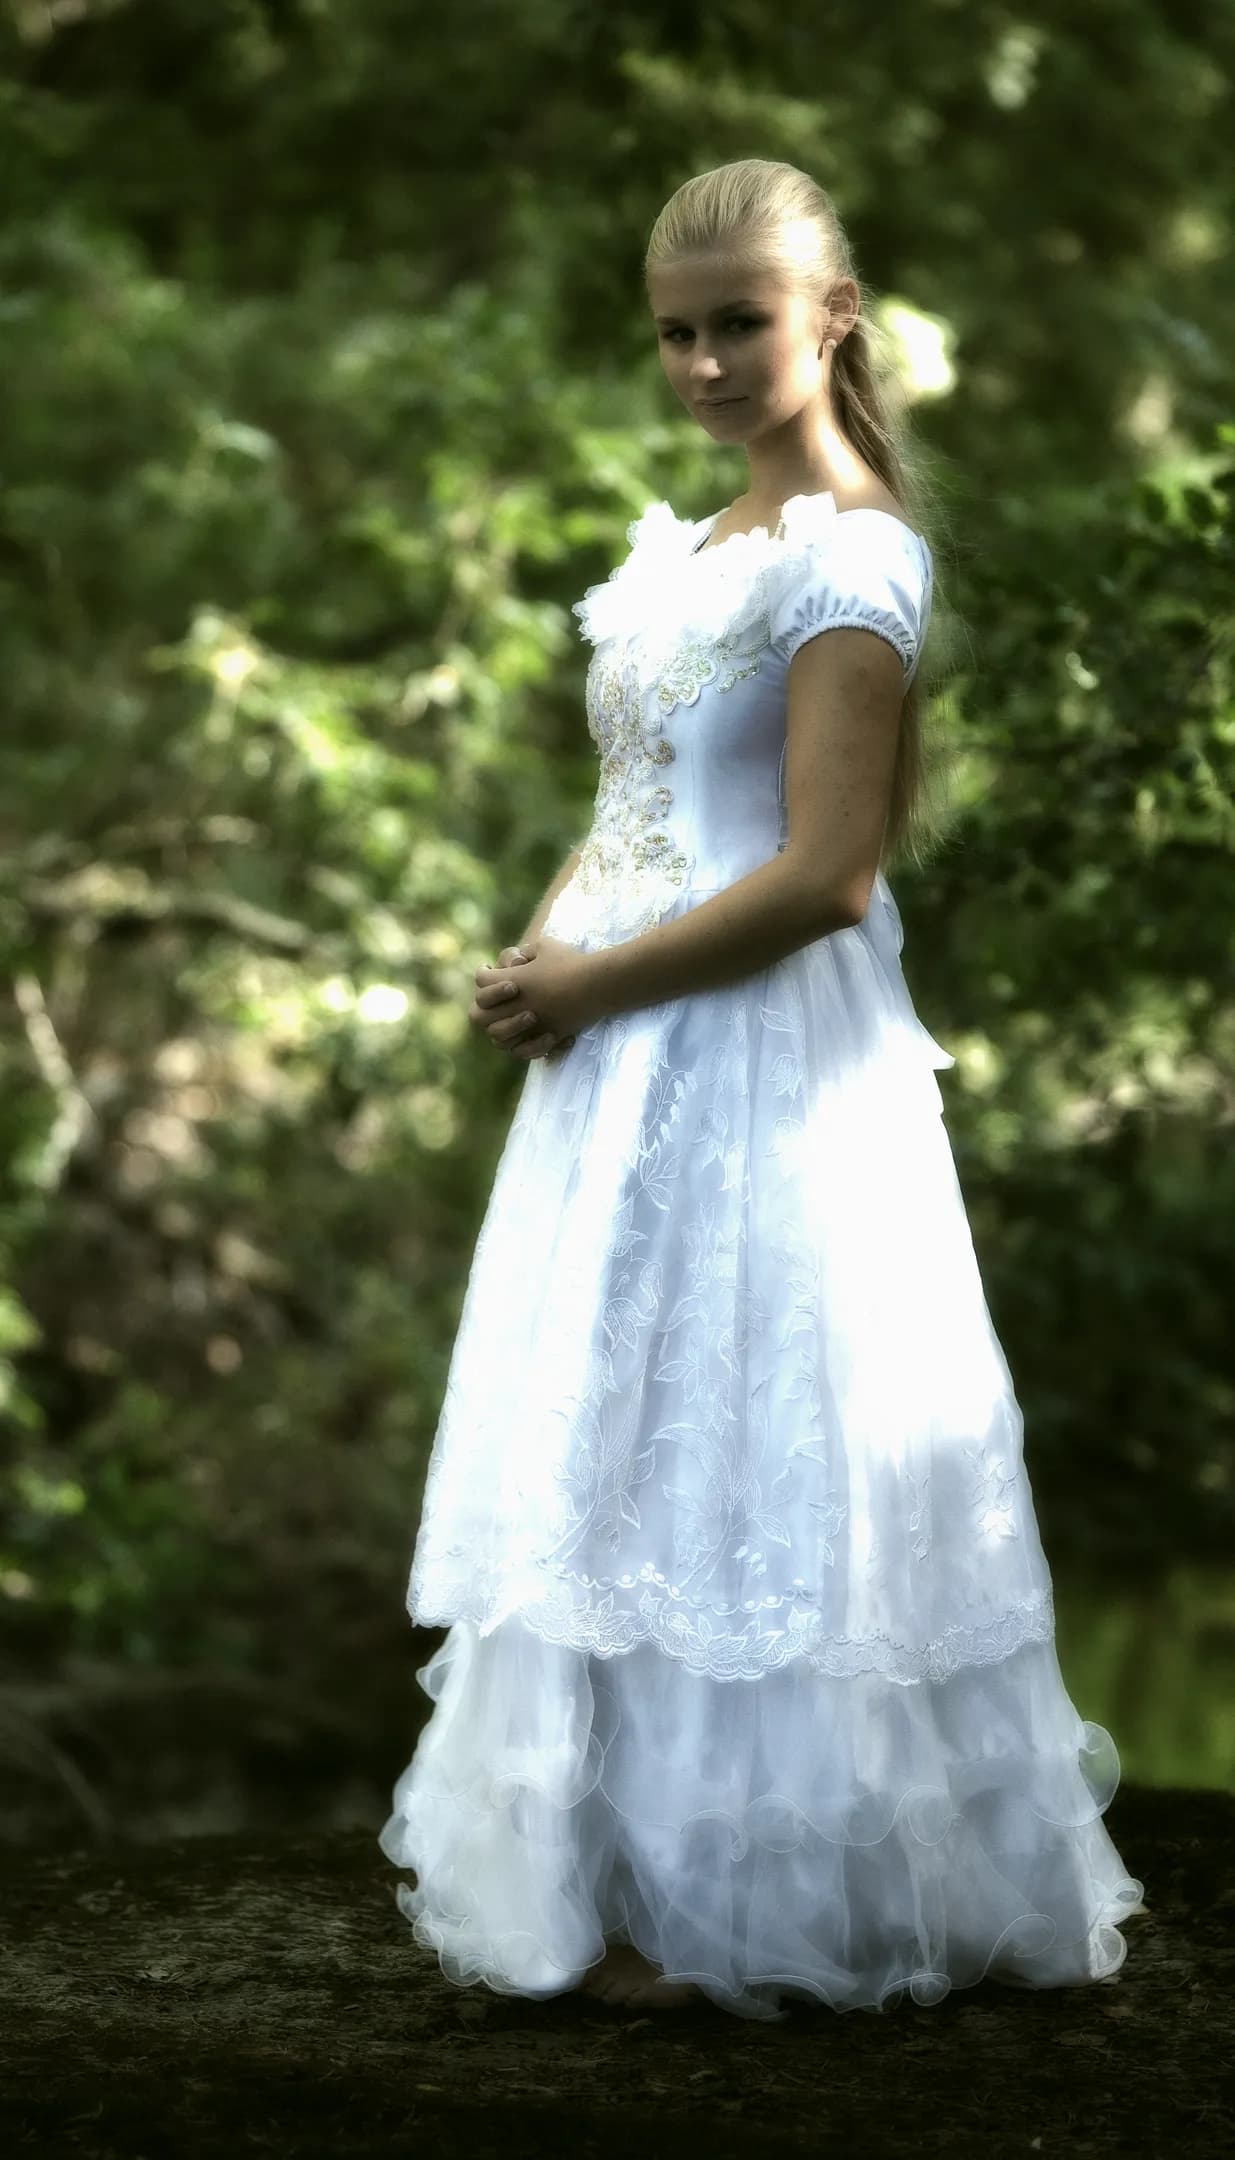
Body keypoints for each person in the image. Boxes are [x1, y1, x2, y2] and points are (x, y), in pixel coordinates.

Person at [378, 158, 1147, 2020]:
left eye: (741, 321)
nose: (708, 360)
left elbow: (825, 876)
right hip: (622, 1055)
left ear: (835, 315)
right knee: (619, 1441)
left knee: (752, 1431)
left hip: (760, 1054)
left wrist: (595, 979)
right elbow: (641, 807)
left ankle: (771, 1895)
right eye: (678, 330)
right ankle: (623, 1875)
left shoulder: (855, 555)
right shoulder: (691, 554)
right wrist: (541, 954)